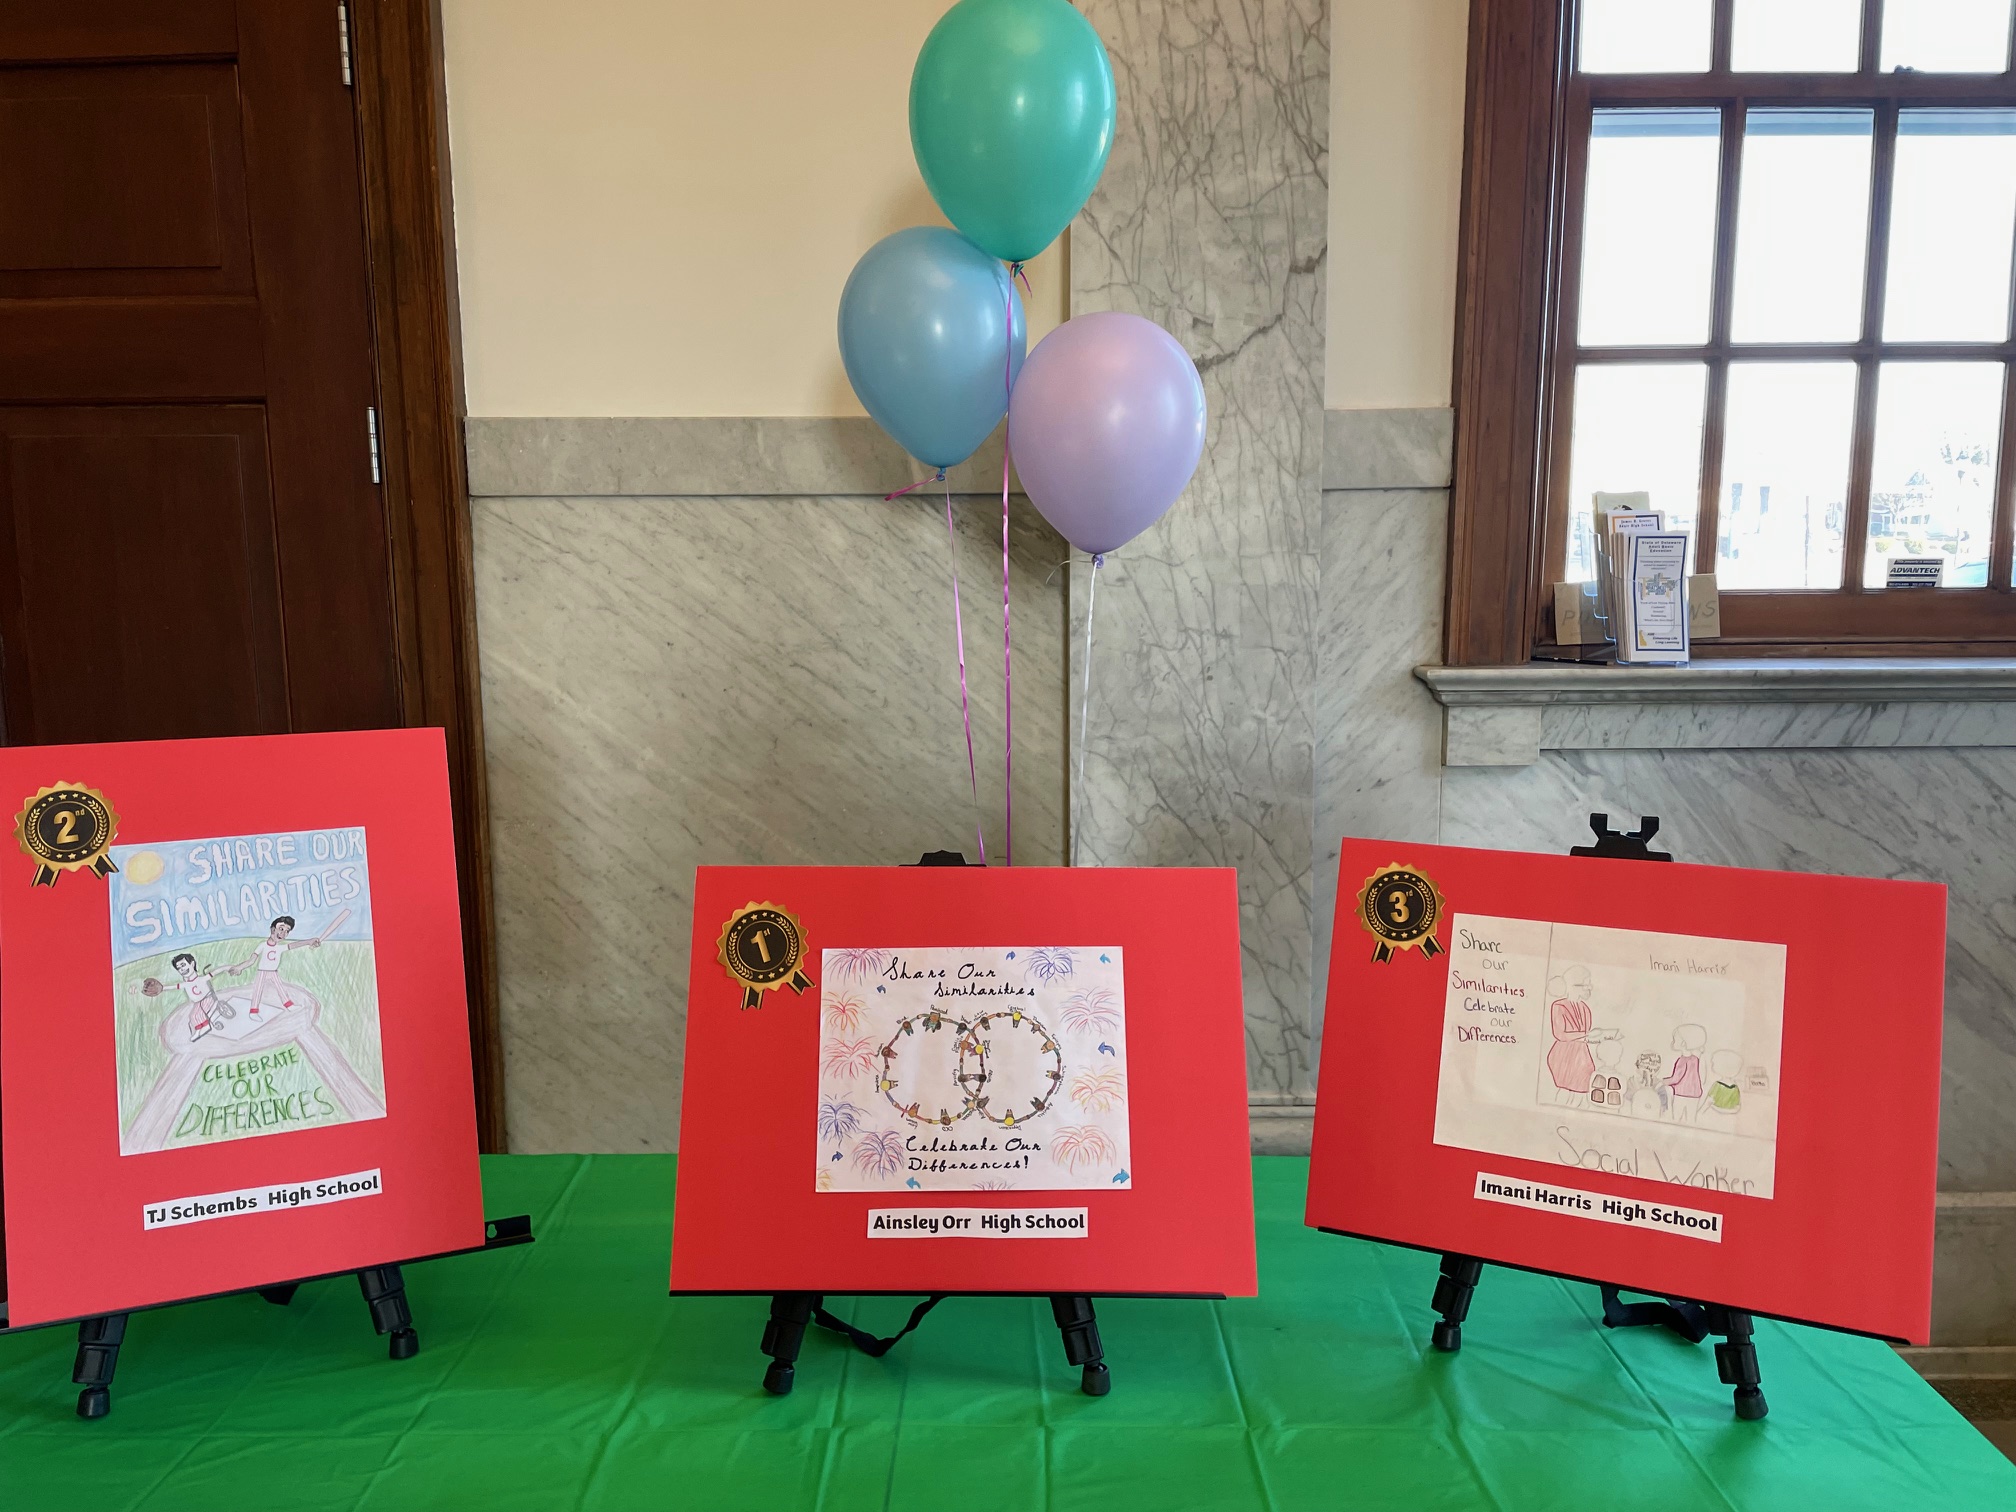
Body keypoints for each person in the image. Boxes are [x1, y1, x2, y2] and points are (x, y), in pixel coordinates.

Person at [224, 915, 320, 1019]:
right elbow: (252, 960)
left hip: (273, 972)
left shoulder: (279, 948)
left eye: (287, 931)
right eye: (281, 929)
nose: (283, 933)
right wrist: (240, 967)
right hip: (262, 972)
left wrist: (309, 941)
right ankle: (253, 1012)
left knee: (280, 988)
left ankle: (289, 1005)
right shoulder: (262, 945)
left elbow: (294, 945)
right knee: (258, 990)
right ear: (273, 929)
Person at [139, 953, 231, 1039]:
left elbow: (215, 972)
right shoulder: (186, 984)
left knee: (198, 1014)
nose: (182, 969)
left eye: (183, 965)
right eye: (179, 968)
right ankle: (199, 1030)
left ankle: (206, 1026)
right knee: (192, 1016)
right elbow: (174, 986)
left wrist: (229, 968)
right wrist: (162, 988)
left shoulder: (201, 979)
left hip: (208, 998)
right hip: (198, 1003)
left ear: (192, 964)